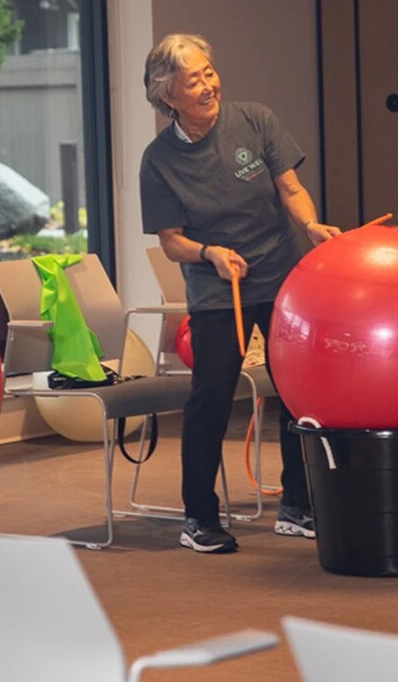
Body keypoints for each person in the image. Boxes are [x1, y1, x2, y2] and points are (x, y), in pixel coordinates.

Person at [138, 34, 341, 554]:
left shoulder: (254, 119)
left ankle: (297, 503)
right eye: (193, 80)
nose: (208, 85)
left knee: (298, 390)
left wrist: (312, 226)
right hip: (217, 287)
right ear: (168, 97)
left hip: (280, 274)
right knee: (210, 398)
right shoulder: (159, 161)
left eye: (209, 72)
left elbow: (289, 188)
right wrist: (209, 253)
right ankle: (198, 517)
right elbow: (171, 242)